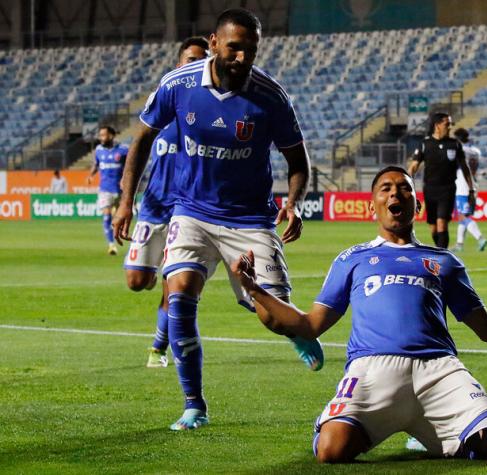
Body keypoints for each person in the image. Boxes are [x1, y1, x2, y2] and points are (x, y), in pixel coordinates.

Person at [231, 166, 487, 464]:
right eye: (385, 188)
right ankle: (410, 429)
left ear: (415, 204)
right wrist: (255, 289)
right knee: (331, 449)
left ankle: (432, 432)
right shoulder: (351, 259)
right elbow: (308, 325)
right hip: (372, 370)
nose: (395, 194)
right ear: (373, 206)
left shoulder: (445, 262)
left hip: (439, 370)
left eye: (403, 188)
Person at [113, 8, 324, 431]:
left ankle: (295, 330)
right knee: (179, 299)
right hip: (191, 211)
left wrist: (294, 201)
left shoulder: (271, 96)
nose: (242, 57)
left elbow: (298, 162)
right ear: (213, 43)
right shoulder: (179, 84)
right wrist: (125, 200)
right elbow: (141, 140)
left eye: (250, 49)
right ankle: (195, 405)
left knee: (268, 314)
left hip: (249, 219)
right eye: (234, 47)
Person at [122, 36, 209, 369]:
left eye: (202, 59)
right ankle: (160, 272)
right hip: (153, 207)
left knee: (176, 286)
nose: (195, 64)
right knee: (136, 281)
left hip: (186, 212)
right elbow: (139, 148)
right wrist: (125, 202)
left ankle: (158, 348)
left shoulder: (210, 109)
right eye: (190, 59)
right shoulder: (162, 103)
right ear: (178, 63)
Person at [407, 113, 475, 249]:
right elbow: (414, 166)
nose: (449, 127)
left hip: (448, 189)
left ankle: (443, 256)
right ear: (437, 125)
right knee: (433, 227)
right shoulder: (425, 144)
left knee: (441, 223)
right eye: (447, 124)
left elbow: (465, 168)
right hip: (430, 190)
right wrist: (407, 183)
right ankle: (441, 251)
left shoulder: (454, 144)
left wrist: (471, 189)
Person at [88, 125, 128, 255]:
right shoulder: (99, 150)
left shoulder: (123, 150)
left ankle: (125, 237)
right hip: (105, 189)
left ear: (111, 135)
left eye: (104, 135)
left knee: (122, 217)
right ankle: (111, 245)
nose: (101, 138)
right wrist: (91, 175)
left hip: (121, 190)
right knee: (106, 216)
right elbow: (97, 164)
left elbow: (131, 167)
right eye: (100, 135)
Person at [452, 128, 487, 252]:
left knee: (462, 217)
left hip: (462, 185)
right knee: (464, 215)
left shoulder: (459, 150)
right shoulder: (476, 151)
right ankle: (459, 244)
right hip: (473, 185)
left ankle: (480, 238)